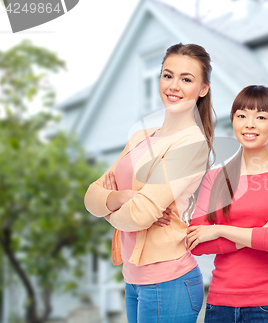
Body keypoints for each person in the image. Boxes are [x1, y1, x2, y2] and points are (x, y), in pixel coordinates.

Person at [84, 43, 216, 323]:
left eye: (187, 79)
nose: (174, 86)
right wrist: (122, 198)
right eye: (168, 75)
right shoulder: (140, 137)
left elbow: (141, 214)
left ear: (203, 88)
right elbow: (90, 195)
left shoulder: (191, 143)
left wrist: (109, 207)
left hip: (168, 282)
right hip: (133, 280)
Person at [185, 85, 268, 323]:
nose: (249, 124)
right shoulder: (215, 177)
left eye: (261, 117)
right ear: (233, 122)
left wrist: (218, 230)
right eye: (242, 116)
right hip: (220, 305)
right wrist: (261, 232)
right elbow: (196, 243)